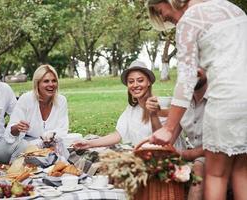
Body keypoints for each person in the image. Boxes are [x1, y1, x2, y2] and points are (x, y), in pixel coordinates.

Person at [145, 0, 247, 199]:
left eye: (160, 10)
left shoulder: (189, 20)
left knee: (216, 175)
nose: (164, 16)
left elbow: (186, 78)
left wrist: (168, 128)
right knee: (242, 173)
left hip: (225, 101)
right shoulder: (232, 8)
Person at [73, 60, 168, 149]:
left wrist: (153, 114)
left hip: (163, 158)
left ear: (149, 82)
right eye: (131, 82)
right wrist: (89, 143)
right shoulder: (131, 109)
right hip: (141, 155)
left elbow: (162, 141)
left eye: (140, 80)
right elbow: (118, 135)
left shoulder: (161, 105)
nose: (135, 85)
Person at [5, 64, 69, 146]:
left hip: (54, 144)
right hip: (28, 145)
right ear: (37, 84)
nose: (51, 84)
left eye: (54, 80)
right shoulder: (26, 99)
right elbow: (9, 133)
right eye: (46, 81)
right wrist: (18, 128)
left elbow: (62, 130)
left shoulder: (61, 100)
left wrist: (52, 137)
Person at [172, 68, 207, 200]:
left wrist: (188, 154)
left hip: (221, 153)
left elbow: (222, 142)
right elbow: (169, 136)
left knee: (198, 165)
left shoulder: (219, 97)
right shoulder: (182, 98)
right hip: (194, 153)